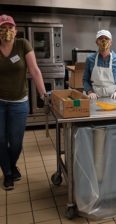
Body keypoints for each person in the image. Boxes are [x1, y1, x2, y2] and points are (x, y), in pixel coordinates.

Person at [0, 14, 47, 190]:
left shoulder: (22, 44)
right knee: (0, 140)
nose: (6, 31)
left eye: (10, 27)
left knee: (16, 141)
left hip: (19, 102)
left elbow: (34, 70)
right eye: (3, 28)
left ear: (15, 30)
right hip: (0, 102)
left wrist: (44, 94)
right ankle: (8, 173)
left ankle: (11, 165)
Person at [83, 30, 116, 100]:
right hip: (95, 97)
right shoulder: (90, 59)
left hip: (113, 97)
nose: (104, 41)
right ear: (96, 42)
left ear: (111, 42)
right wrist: (90, 92)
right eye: (101, 39)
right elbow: (85, 80)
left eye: (106, 39)